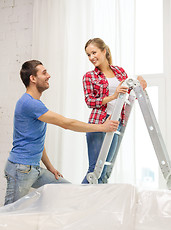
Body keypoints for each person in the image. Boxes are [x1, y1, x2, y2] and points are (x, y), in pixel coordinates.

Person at [4, 60, 119, 205]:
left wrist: (50, 167)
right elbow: (66, 123)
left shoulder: (35, 104)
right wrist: (102, 127)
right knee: (9, 214)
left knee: (69, 190)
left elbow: (38, 141)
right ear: (32, 79)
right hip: (20, 169)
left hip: (34, 169)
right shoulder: (29, 103)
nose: (49, 76)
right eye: (44, 73)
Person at [82, 38, 147, 184]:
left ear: (104, 51)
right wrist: (113, 96)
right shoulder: (89, 76)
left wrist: (140, 82)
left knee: (104, 173)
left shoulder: (119, 71)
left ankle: (98, 205)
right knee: (94, 171)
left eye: (94, 52)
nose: (91, 57)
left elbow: (129, 95)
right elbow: (90, 101)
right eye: (88, 55)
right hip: (98, 124)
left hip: (116, 123)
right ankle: (79, 204)